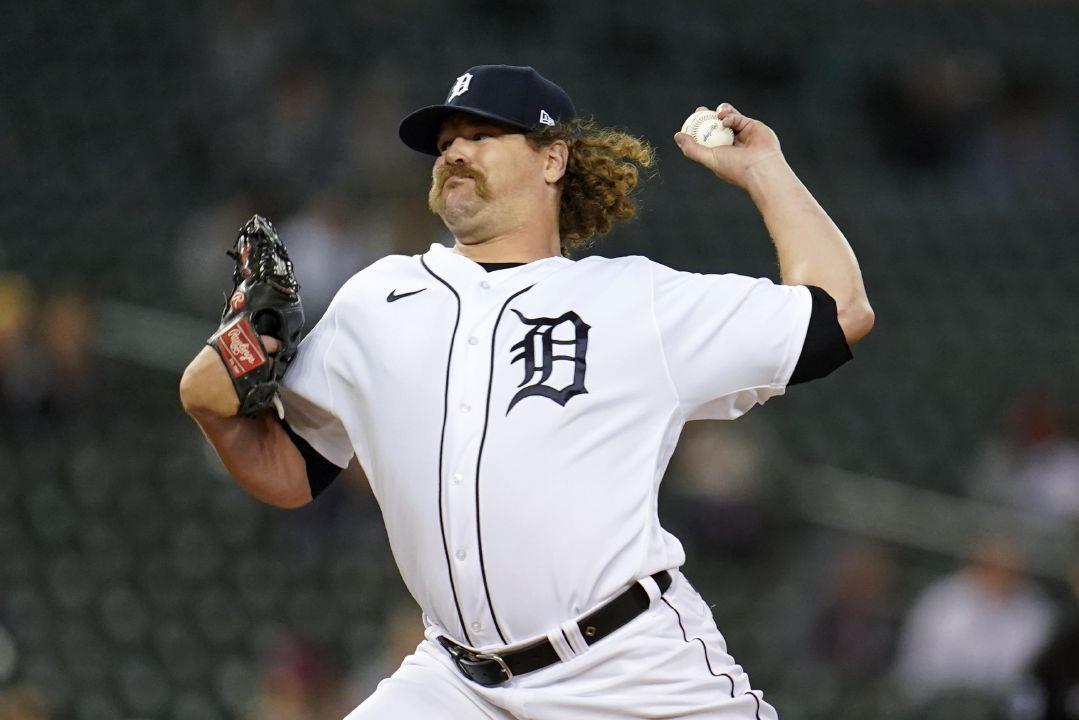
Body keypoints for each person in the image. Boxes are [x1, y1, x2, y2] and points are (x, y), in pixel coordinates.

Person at [180, 64, 874, 719]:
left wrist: (765, 172)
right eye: (445, 141)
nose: (455, 151)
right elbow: (294, 473)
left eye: (481, 135)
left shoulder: (632, 301)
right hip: (456, 681)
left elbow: (840, 313)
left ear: (552, 159)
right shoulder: (374, 300)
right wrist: (213, 411)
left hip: (626, 669)